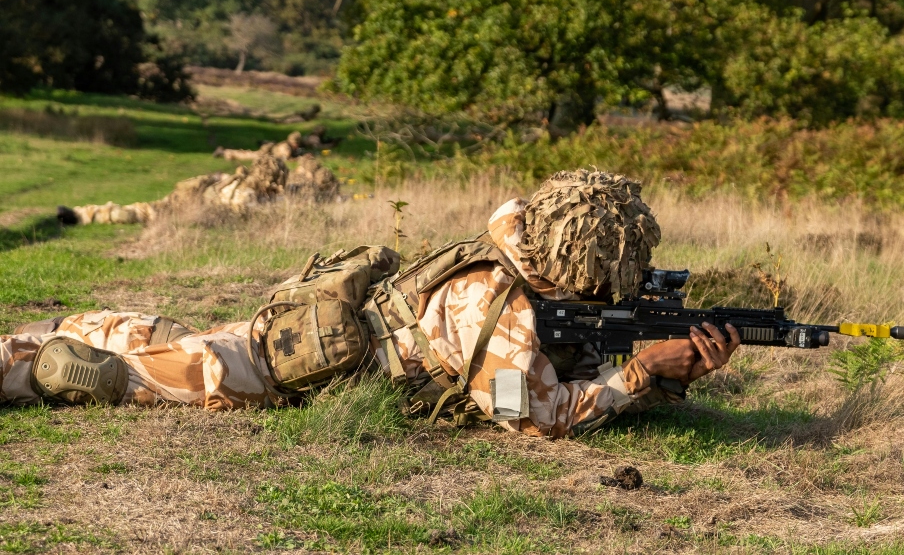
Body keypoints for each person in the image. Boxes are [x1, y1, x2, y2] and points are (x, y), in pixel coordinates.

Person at [2, 170, 740, 438]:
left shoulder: (522, 231)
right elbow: (537, 418)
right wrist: (641, 375)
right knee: (130, 375)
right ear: (577, 264)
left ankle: (41, 338)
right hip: (296, 369)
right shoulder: (496, 309)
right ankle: (32, 373)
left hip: (304, 330)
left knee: (160, 339)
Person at [59, 154, 338, 226]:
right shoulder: (250, 196)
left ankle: (83, 214)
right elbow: (247, 217)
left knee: (141, 210)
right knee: (140, 215)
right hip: (193, 214)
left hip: (189, 199)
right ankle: (85, 216)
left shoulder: (237, 179)